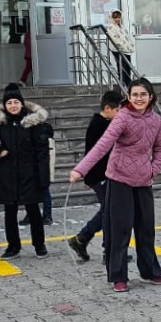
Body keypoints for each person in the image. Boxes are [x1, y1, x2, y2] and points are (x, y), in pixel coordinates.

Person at [70, 79, 161, 292]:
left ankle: (150, 271)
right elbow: (103, 144)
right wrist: (81, 169)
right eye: (135, 94)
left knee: (146, 229)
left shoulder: (156, 120)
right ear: (129, 97)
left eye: (143, 94)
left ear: (150, 97)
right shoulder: (122, 116)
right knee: (119, 229)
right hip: (119, 179)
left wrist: (153, 170)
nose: (139, 98)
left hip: (144, 180)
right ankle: (118, 276)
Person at [0, 84, 52, 259]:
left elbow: (42, 150)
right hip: (8, 173)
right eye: (9, 102)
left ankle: (39, 245)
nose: (13, 105)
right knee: (9, 212)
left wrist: (43, 176)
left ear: (22, 103)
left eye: (16, 102)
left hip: (29, 173)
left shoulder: (32, 121)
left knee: (33, 210)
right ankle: (13, 246)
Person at [66, 89, 122, 264]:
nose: (120, 116)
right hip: (100, 175)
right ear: (107, 108)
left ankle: (81, 239)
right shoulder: (100, 125)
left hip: (103, 174)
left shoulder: (104, 123)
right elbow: (98, 153)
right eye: (118, 111)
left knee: (108, 209)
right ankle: (108, 251)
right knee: (110, 212)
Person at [106, 10, 135, 89]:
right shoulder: (111, 26)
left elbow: (127, 37)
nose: (117, 19)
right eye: (115, 17)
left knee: (128, 66)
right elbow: (114, 38)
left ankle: (128, 83)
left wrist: (130, 45)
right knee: (122, 66)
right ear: (111, 18)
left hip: (126, 50)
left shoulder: (121, 26)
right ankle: (123, 84)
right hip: (117, 49)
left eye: (118, 17)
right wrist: (121, 46)